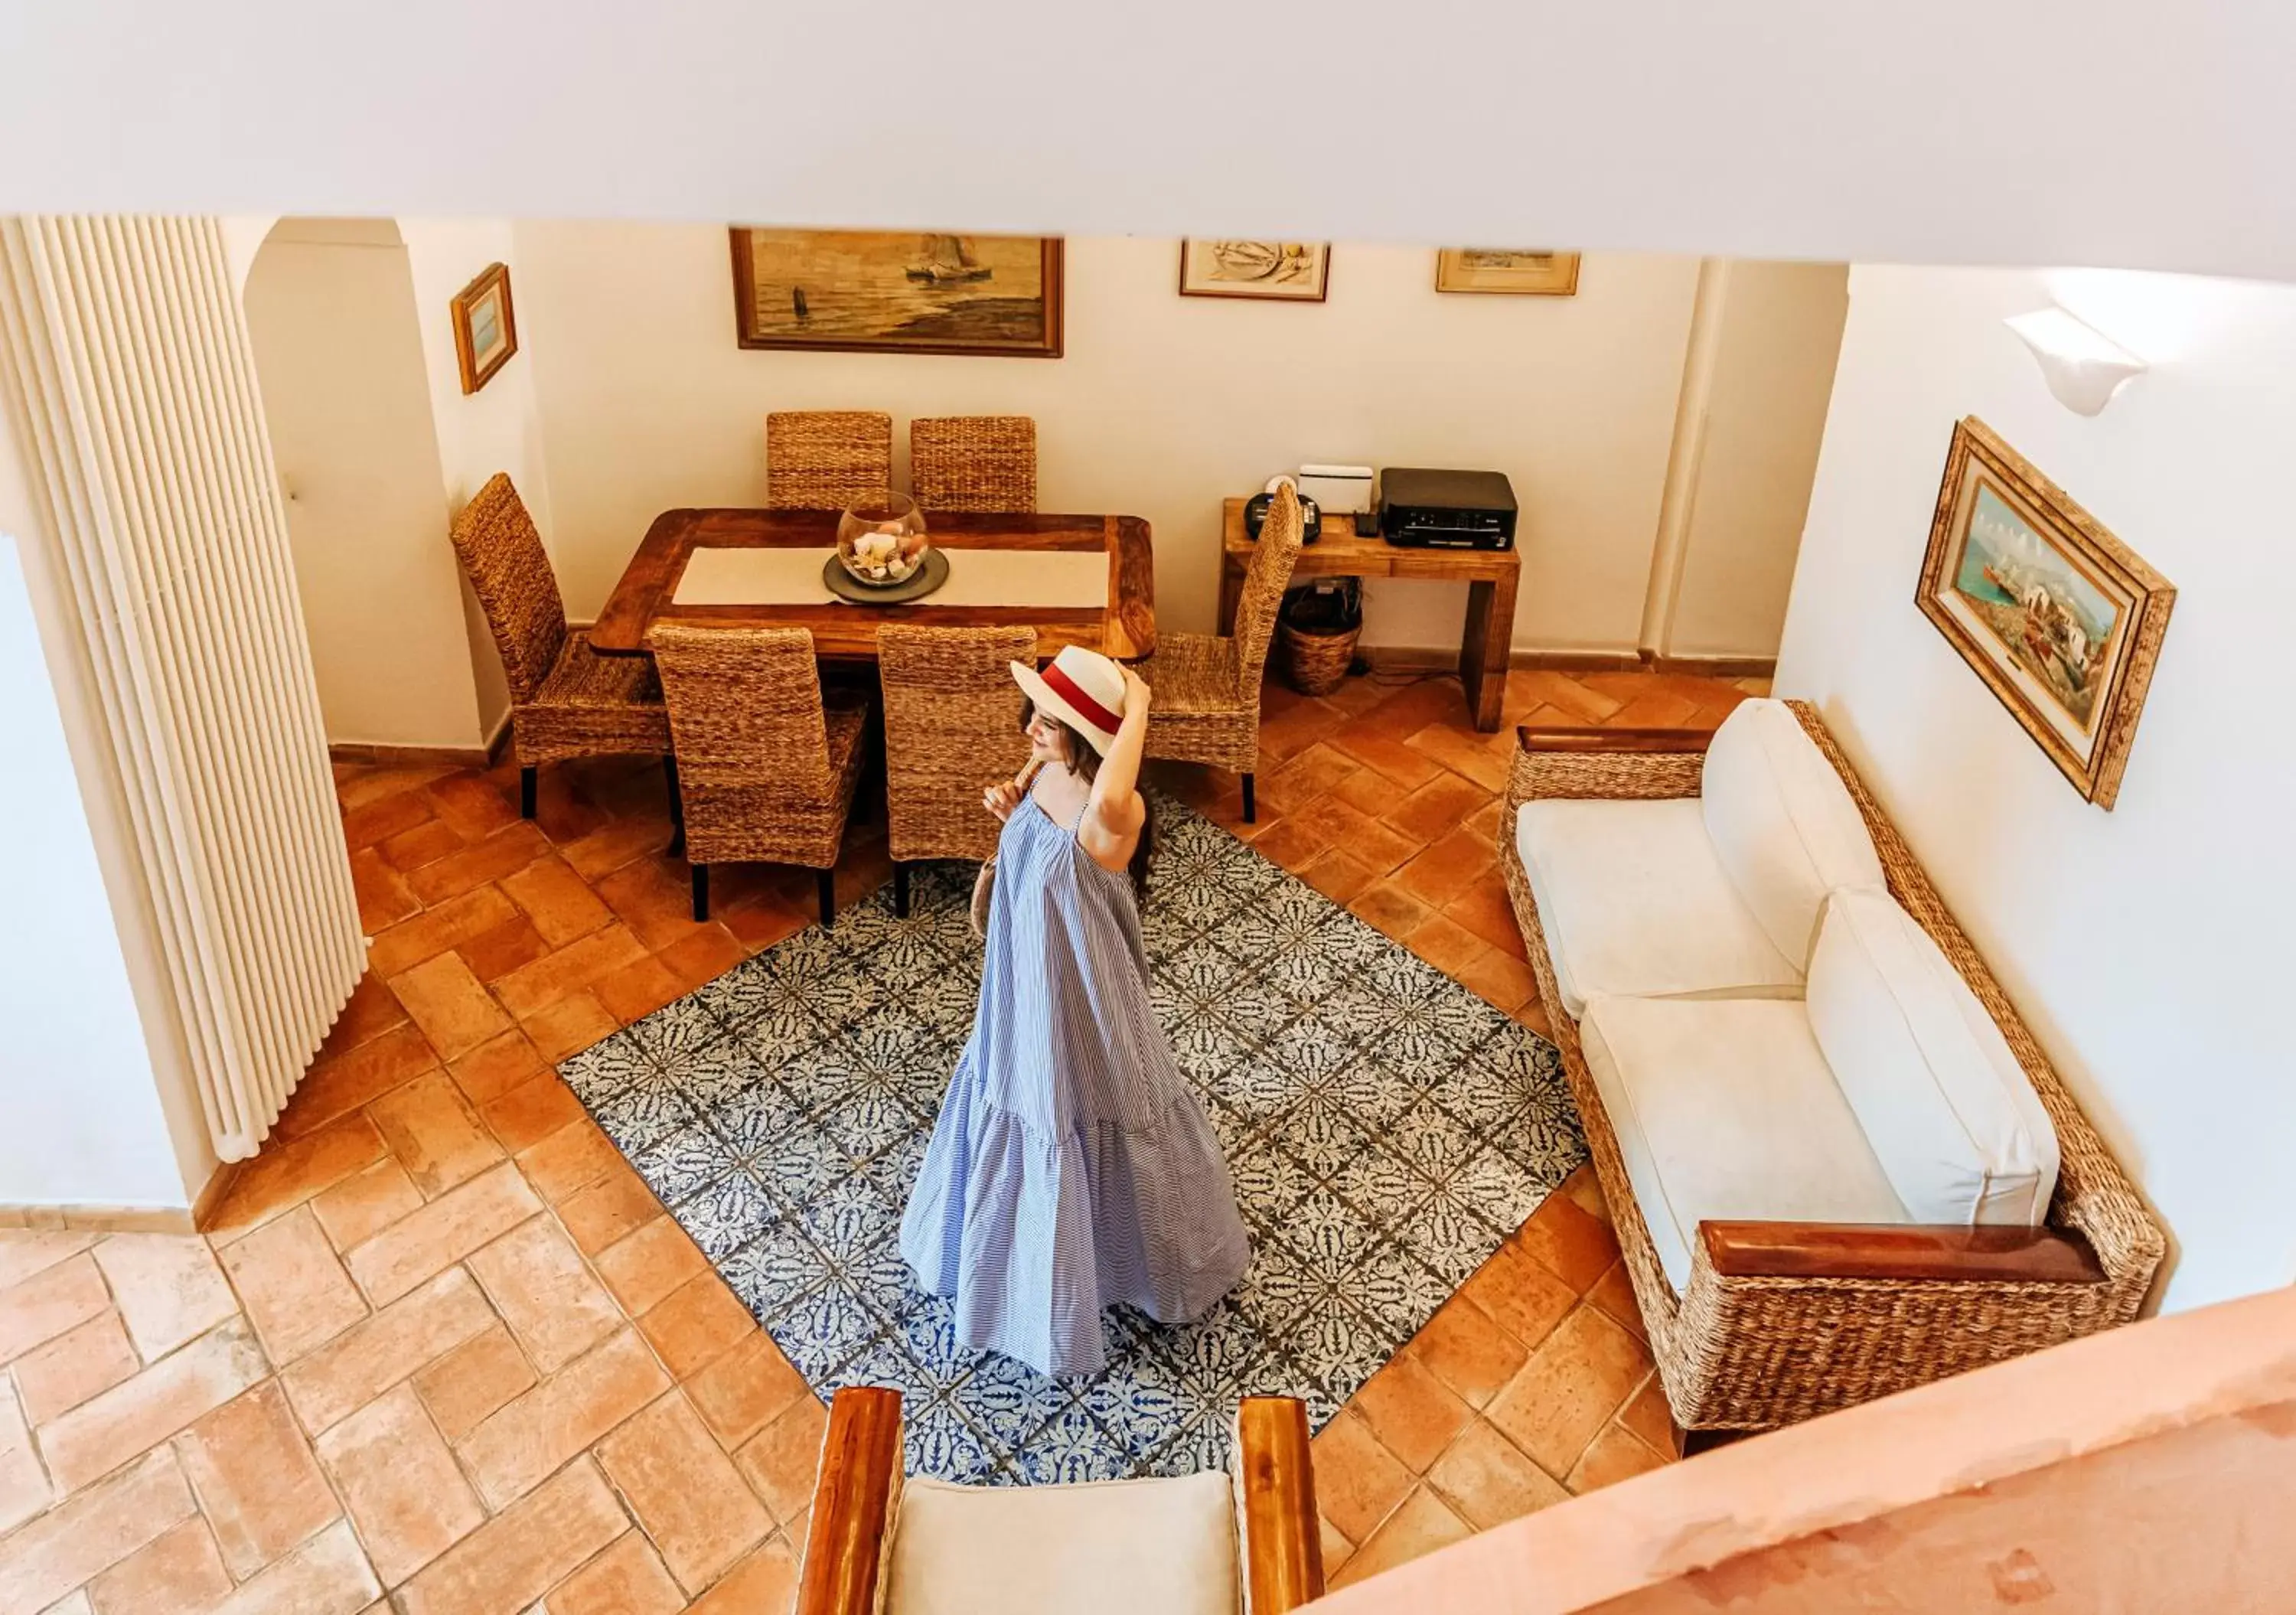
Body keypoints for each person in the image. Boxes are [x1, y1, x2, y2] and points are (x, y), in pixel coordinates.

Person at [898, 644, 1250, 1377]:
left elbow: (1111, 796)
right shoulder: (1046, 774)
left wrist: (1139, 706)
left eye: (1053, 723)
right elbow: (1032, 855)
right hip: (1025, 978)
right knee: (1021, 1094)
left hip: (1086, 997)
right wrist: (1010, 815)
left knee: (1101, 1107)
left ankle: (1130, 1264)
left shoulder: (1113, 812)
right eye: (1036, 713)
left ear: (1095, 739)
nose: (1032, 729)